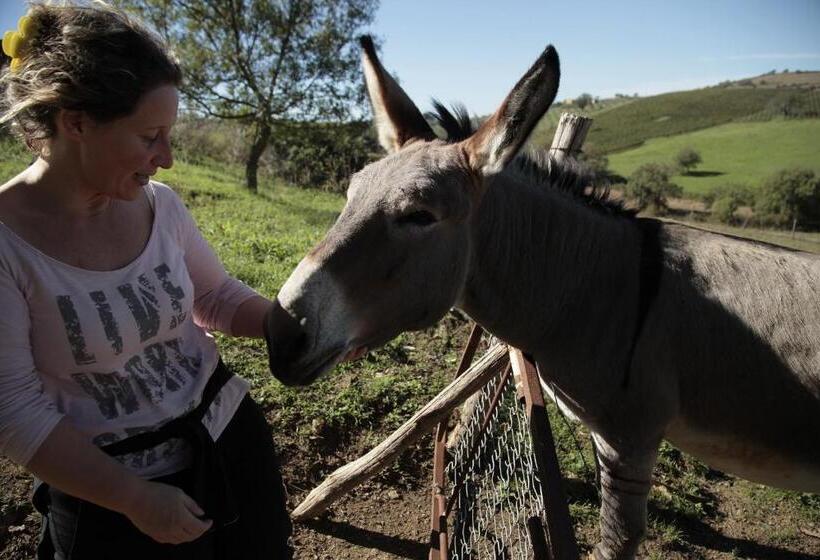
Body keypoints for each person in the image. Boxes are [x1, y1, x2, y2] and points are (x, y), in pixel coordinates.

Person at [0, 3, 292, 558]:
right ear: (76, 123)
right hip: (105, 498)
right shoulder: (7, 245)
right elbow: (14, 410)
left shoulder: (160, 207)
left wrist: (296, 326)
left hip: (227, 441)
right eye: (150, 136)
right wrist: (132, 497)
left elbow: (213, 297)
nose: (168, 158)